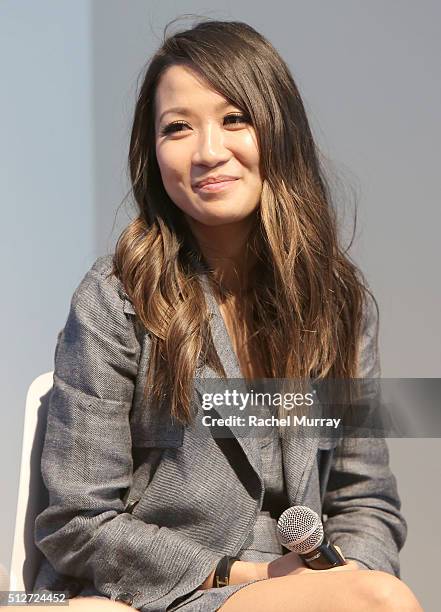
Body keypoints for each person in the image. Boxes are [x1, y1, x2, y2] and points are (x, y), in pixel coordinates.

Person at [24, 18, 422, 612]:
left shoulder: (337, 302)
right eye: (178, 128)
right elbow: (77, 523)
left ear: (279, 131)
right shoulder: (117, 297)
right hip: (161, 594)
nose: (209, 151)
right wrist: (249, 573)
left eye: (235, 119)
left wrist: (340, 577)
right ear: (153, 153)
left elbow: (365, 502)